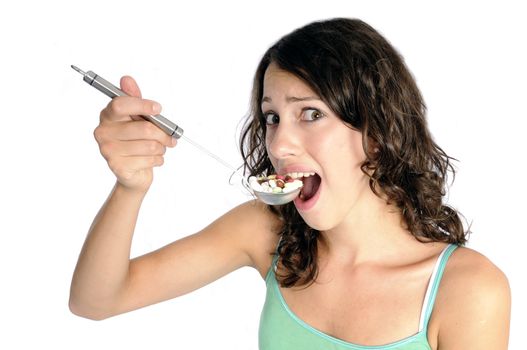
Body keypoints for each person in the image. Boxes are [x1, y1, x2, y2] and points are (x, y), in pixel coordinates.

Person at [69, 18, 511, 349]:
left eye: (311, 113)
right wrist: (131, 187)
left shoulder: (467, 288)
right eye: (272, 117)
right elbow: (96, 301)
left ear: (378, 132)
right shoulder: (267, 233)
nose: (279, 144)